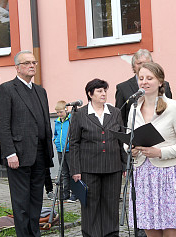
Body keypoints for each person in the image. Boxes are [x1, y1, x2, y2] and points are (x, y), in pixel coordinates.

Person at [127, 62, 176, 236]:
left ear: (160, 82)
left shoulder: (174, 107)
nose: (144, 82)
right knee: (150, 229)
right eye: (141, 78)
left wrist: (161, 152)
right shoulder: (134, 107)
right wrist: (130, 148)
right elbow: (128, 137)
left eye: (149, 78)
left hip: (167, 175)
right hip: (142, 175)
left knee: (171, 229)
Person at [0, 50, 54, 236]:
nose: (32, 65)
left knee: (36, 200)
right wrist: (9, 152)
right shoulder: (7, 89)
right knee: (21, 202)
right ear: (17, 67)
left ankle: (34, 233)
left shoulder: (40, 91)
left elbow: (44, 123)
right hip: (18, 155)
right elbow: (2, 125)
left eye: (34, 62)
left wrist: (48, 151)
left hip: (40, 154)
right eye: (27, 63)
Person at [69, 79, 127, 236]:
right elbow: (73, 143)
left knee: (111, 204)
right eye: (99, 91)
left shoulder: (115, 112)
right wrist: (75, 169)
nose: (103, 94)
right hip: (88, 168)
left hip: (113, 167)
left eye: (105, 91)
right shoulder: (79, 114)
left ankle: (111, 234)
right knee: (90, 205)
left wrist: (124, 164)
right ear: (90, 94)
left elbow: (121, 140)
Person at [115, 49, 172, 127]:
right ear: (133, 66)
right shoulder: (122, 88)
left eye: (146, 63)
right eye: (139, 63)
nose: (143, 66)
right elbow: (120, 118)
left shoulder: (164, 85)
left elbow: (170, 112)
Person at [53, 100, 76, 202]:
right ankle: (65, 193)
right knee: (64, 173)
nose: (59, 114)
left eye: (61, 112)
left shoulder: (71, 120)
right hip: (60, 150)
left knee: (72, 172)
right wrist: (56, 141)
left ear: (66, 110)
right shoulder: (57, 122)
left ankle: (74, 194)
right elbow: (56, 134)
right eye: (57, 112)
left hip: (69, 150)